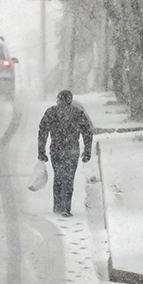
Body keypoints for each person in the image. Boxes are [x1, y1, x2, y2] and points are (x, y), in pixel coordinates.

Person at [37, 89, 94, 217]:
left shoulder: (51, 112)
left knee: (58, 176)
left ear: (58, 99)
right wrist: (87, 151)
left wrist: (41, 151)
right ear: (70, 100)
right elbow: (87, 132)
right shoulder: (77, 113)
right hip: (72, 150)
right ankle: (66, 207)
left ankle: (58, 205)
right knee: (69, 178)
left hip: (56, 149)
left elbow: (43, 132)